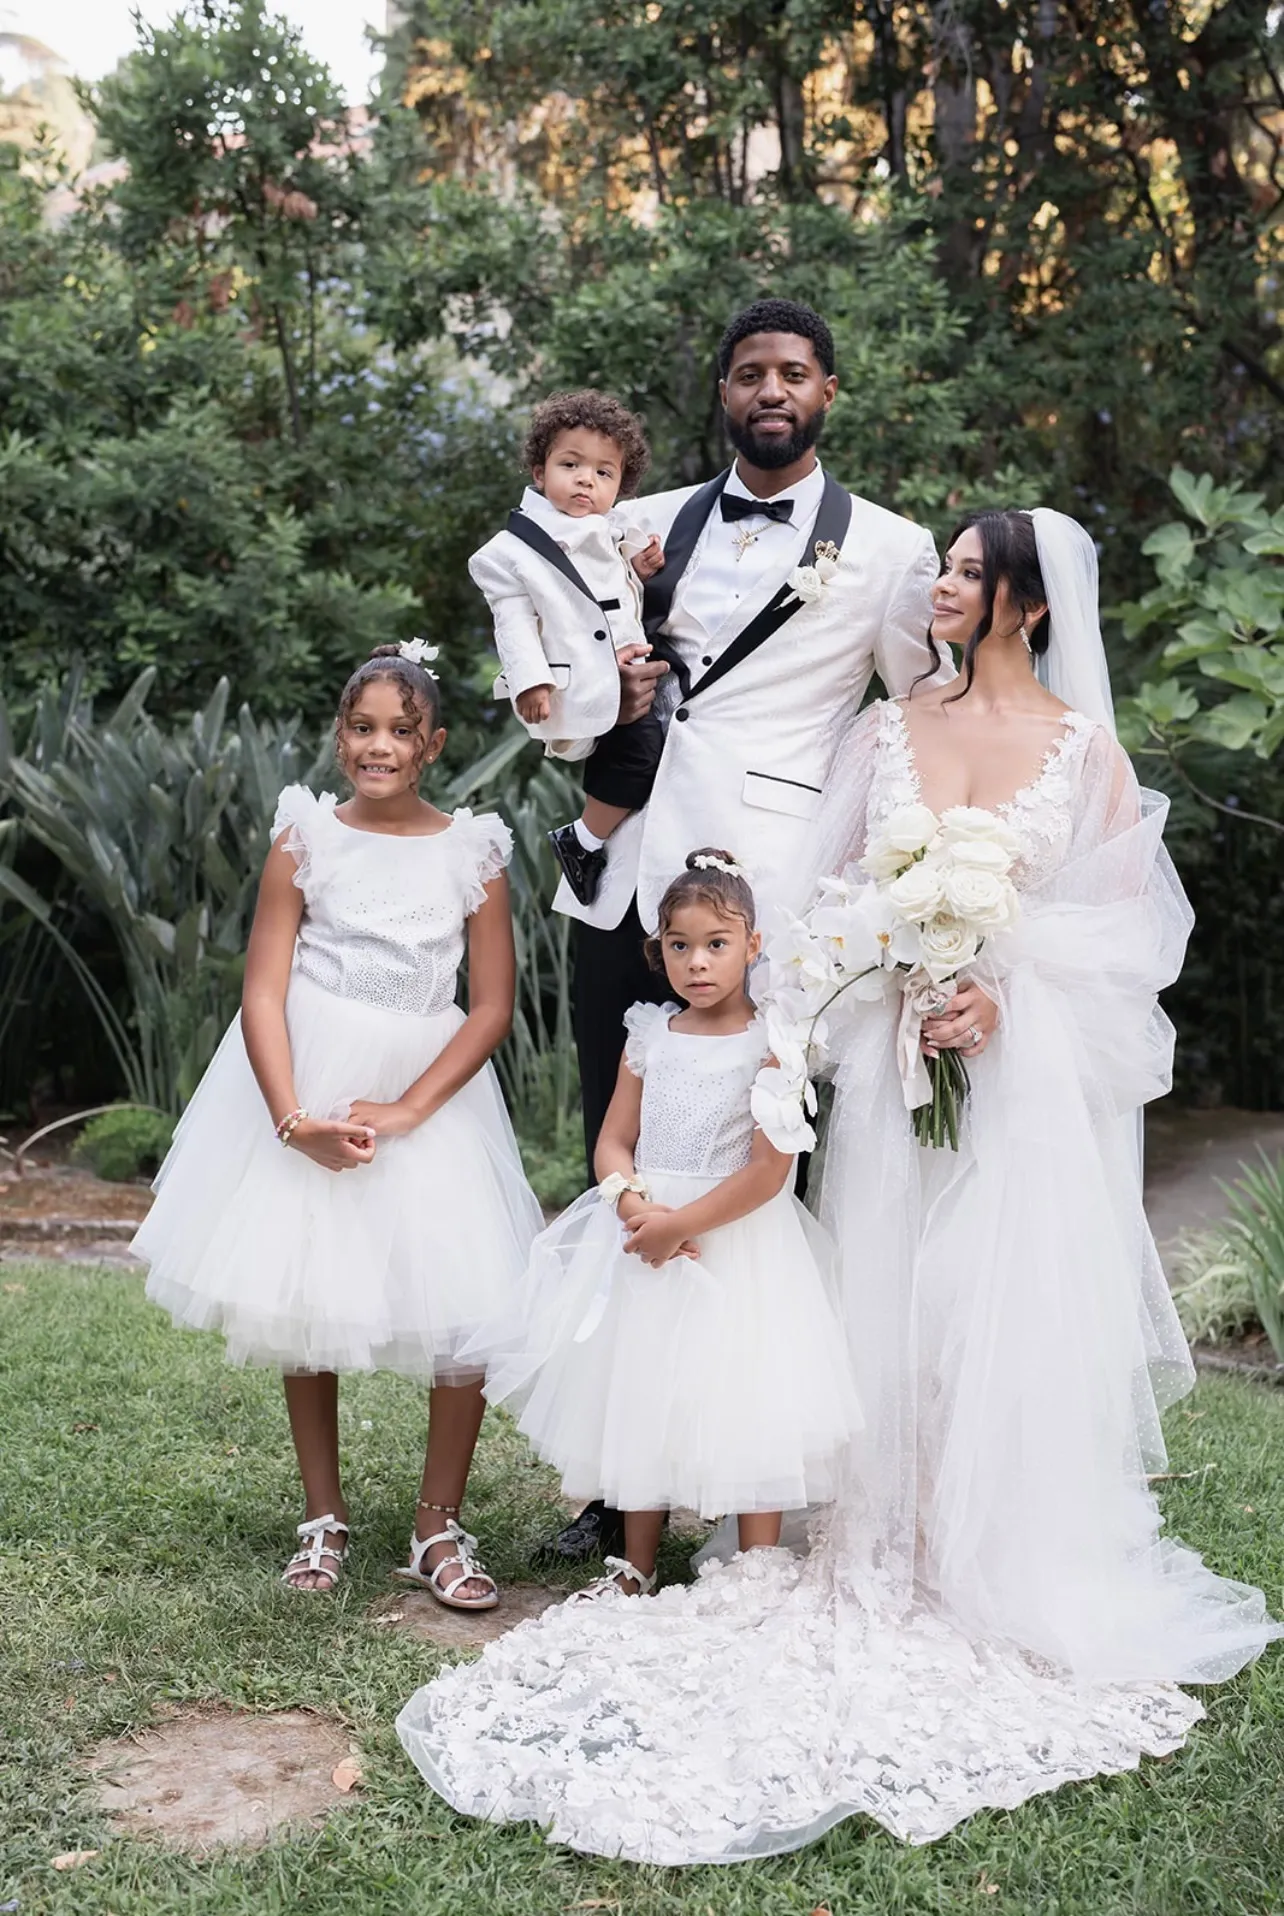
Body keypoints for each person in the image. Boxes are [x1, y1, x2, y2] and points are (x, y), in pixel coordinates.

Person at [390, 511, 1279, 1860]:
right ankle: (877, 1532)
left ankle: (995, 1552)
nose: (946, 584)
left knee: (990, 1307)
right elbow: (828, 900)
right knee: (885, 1296)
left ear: (1028, 610)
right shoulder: (887, 727)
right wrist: (893, 976)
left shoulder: (1084, 755)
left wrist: (994, 990)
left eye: (973, 575)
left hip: (1017, 1092)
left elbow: (1125, 939)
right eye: (948, 567)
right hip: (883, 1070)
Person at [539, 294, 950, 1566]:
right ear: (721, 393)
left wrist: (907, 882)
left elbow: (911, 717)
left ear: (828, 392)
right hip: (632, 875)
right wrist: (616, 691)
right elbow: (568, 674)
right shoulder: (639, 524)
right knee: (629, 1128)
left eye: (794, 373)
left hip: (774, 897)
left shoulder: (889, 547)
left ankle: (758, 1470)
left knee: (766, 1176)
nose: (771, 390)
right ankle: (624, 1483)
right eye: (749, 373)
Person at [133, 642, 543, 1605]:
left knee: (463, 1315)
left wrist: (407, 1106)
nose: (380, 746)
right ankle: (323, 1517)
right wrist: (292, 1120)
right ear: (338, 734)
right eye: (363, 728)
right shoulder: (304, 836)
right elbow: (264, 987)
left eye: (402, 731)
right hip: (309, 1086)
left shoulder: (472, 852)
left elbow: (489, 1005)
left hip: (428, 1095)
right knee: (308, 1293)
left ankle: (437, 1529)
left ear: (434, 743)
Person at [473, 848, 861, 1600]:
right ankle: (635, 1565)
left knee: (750, 1395)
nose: (698, 962)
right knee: (640, 1392)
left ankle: (754, 1568)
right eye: (679, 946)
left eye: (717, 944)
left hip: (738, 1242)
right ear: (659, 953)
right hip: (650, 1241)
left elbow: (768, 1172)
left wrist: (679, 1221)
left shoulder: (775, 1044)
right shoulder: (651, 1035)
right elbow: (615, 1139)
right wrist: (632, 1206)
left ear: (753, 947)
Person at [468, 389, 666, 908]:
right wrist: (533, 681)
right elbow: (513, 623)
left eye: (604, 473)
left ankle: (592, 838)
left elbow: (609, 590)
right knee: (640, 756)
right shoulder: (513, 553)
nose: (586, 480)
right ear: (539, 471)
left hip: (629, 666)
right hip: (578, 682)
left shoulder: (608, 530)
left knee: (639, 754)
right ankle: (582, 840)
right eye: (571, 464)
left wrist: (636, 572)